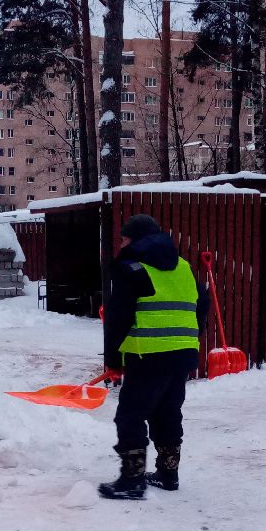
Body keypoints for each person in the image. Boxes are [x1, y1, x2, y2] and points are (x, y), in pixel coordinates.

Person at [98, 213, 209, 500]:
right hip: (182, 353)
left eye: (123, 238)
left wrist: (113, 359)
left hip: (148, 355)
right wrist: (188, 339)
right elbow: (202, 304)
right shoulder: (183, 267)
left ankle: (132, 480)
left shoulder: (131, 266)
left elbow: (117, 317)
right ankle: (168, 473)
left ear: (134, 239)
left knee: (130, 415)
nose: (120, 243)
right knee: (167, 411)